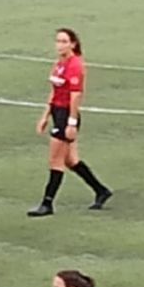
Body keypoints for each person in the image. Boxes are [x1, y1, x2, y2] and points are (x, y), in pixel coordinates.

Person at [27, 28, 112, 218]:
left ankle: (47, 203)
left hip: (66, 115)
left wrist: (71, 122)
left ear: (73, 44)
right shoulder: (59, 64)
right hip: (58, 113)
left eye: (64, 41)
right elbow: (54, 91)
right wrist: (45, 116)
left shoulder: (75, 66)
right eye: (58, 41)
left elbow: (75, 96)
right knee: (71, 160)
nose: (60, 45)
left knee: (55, 161)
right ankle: (101, 190)